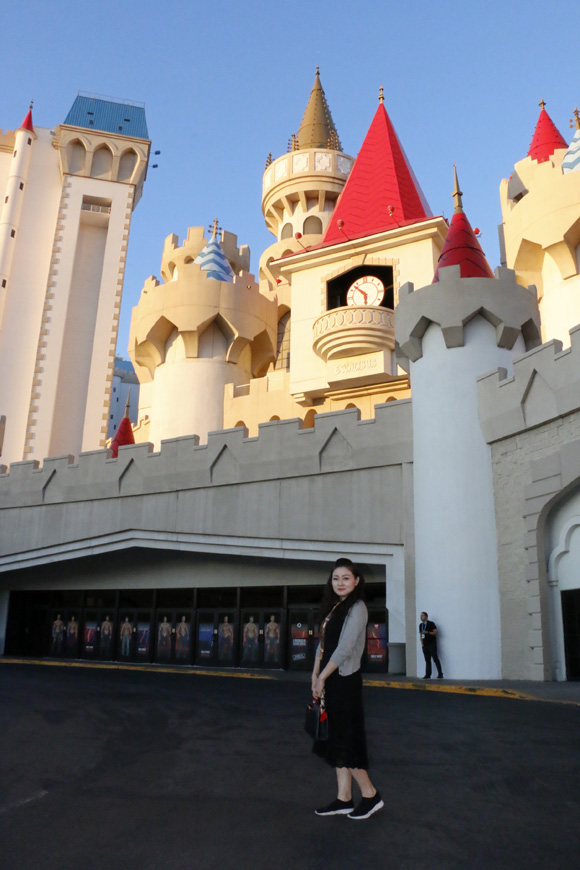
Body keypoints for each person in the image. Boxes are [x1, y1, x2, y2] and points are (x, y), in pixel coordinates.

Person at [311, 557, 383, 820]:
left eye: (346, 578)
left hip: (344, 680)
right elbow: (322, 646)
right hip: (329, 678)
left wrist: (323, 676)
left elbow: (345, 648)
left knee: (345, 739)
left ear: (356, 581)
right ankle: (344, 798)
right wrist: (315, 675)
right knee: (334, 738)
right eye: (336, 578)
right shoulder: (334, 608)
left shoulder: (357, 607)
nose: (340, 583)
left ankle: (370, 795)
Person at [419, 611, 443, 679]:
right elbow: (421, 634)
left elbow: (435, 632)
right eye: (420, 615)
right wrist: (422, 643)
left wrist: (427, 632)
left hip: (431, 643)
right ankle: (428, 674)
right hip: (425, 644)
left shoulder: (431, 623)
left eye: (423, 615)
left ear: (426, 616)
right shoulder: (421, 625)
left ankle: (440, 673)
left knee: (435, 658)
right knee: (427, 660)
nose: (421, 617)